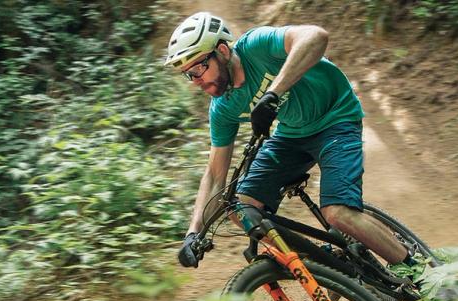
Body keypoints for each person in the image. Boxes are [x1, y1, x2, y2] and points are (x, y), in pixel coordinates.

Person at [166, 12, 418, 272]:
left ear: (222, 51)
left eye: (198, 68)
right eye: (188, 74)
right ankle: (328, 264)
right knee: (241, 209)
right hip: (292, 134)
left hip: (336, 118)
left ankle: (417, 269)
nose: (195, 80)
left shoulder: (256, 45)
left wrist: (273, 93)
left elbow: (316, 37)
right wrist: (193, 232)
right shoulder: (222, 108)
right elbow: (215, 174)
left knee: (337, 212)